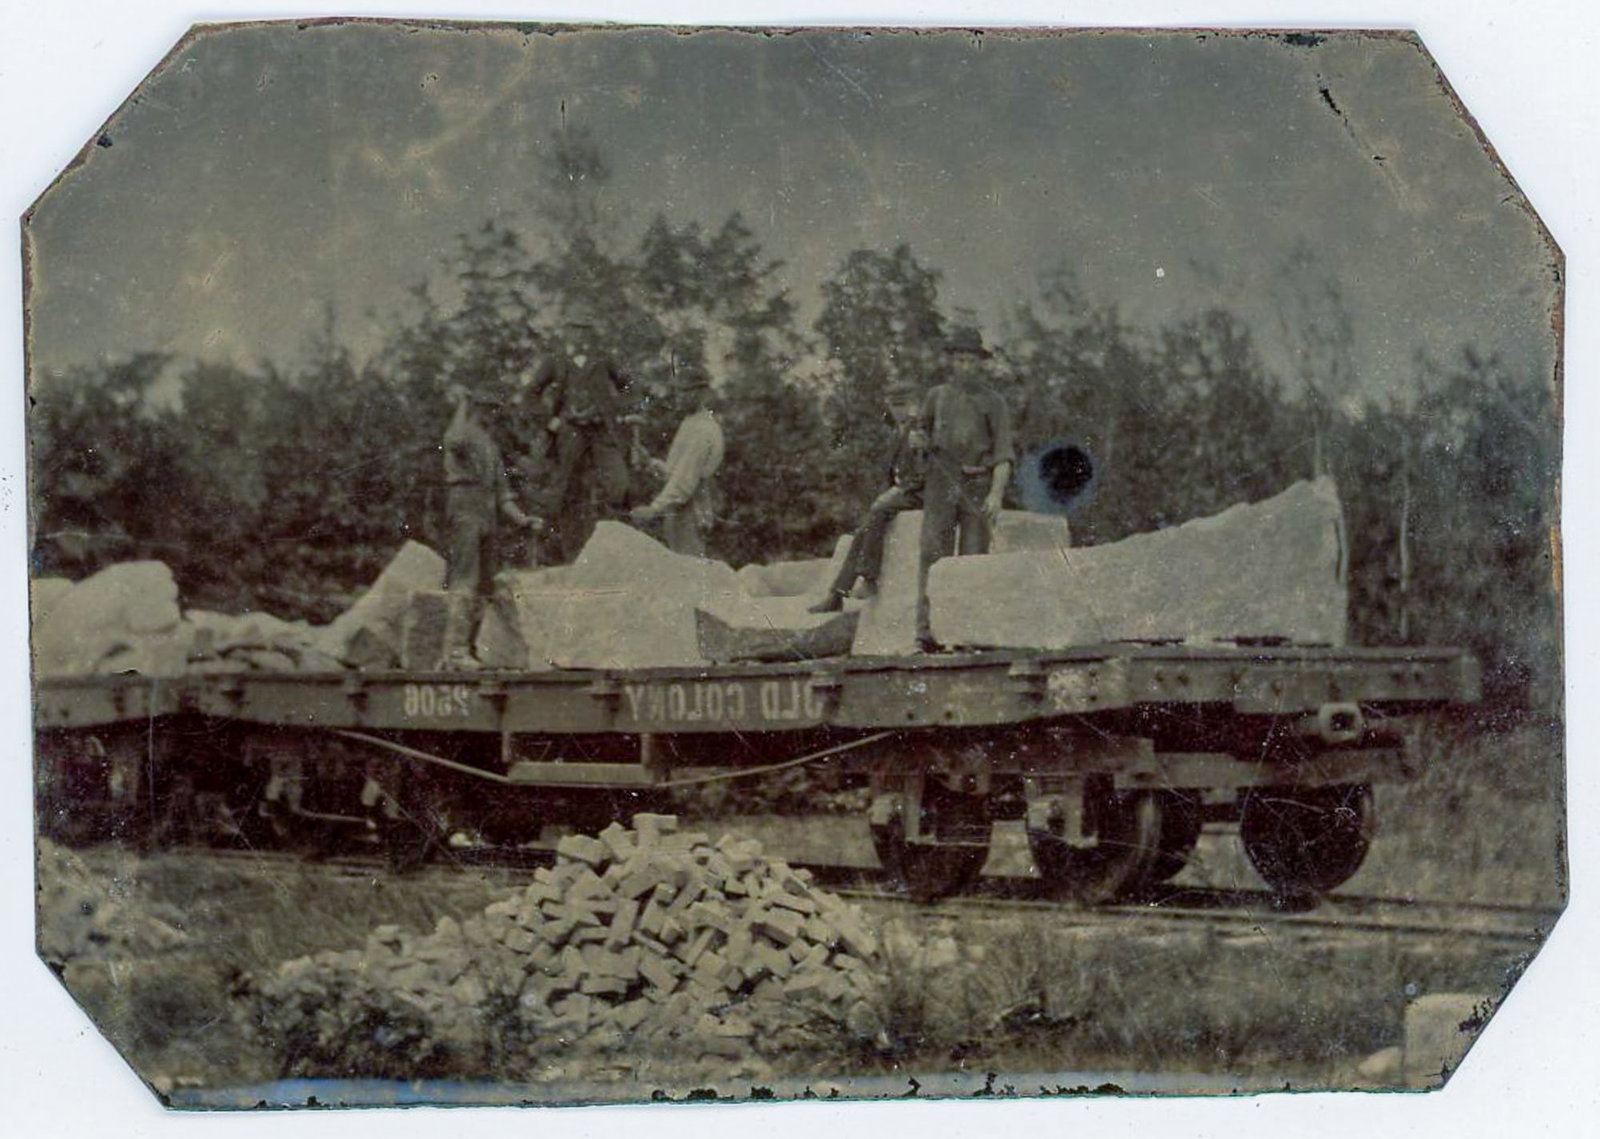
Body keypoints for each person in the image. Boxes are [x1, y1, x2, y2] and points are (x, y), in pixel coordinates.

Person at [916, 326, 1015, 650]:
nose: (965, 367)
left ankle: (966, 634)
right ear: (951, 362)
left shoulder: (994, 402)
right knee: (933, 553)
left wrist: (996, 494)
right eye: (960, 360)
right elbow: (919, 434)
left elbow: (1003, 455)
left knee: (973, 560)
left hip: (978, 483)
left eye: (971, 361)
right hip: (941, 482)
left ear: (980, 363)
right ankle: (926, 632)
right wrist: (918, 441)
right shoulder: (937, 396)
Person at [808, 381, 928, 612]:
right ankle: (837, 594)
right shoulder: (897, 432)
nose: (898, 411)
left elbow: (924, 472)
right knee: (865, 528)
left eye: (902, 405)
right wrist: (890, 491)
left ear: (914, 405)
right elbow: (893, 472)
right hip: (904, 493)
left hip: (920, 493)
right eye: (894, 405)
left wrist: (898, 491)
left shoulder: (918, 430)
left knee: (878, 510)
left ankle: (869, 579)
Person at [442, 384, 540, 663]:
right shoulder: (462, 434)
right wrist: (462, 402)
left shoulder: (490, 445)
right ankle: (455, 651)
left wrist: (523, 519)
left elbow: (503, 494)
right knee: (465, 579)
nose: (493, 414)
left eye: (495, 409)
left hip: (487, 511)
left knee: (486, 584)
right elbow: (453, 441)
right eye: (488, 408)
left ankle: (472, 646)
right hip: (464, 503)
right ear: (476, 408)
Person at [526, 319, 633, 562]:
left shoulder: (604, 359)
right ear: (566, 333)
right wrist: (548, 420)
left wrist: (621, 411)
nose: (580, 336)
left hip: (601, 430)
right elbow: (530, 393)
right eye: (574, 330)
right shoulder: (555, 360)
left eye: (585, 330)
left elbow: (630, 385)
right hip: (570, 431)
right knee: (566, 489)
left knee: (619, 483)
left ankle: (621, 551)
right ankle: (570, 554)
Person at [630, 364, 725, 556]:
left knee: (691, 570)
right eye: (677, 391)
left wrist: (653, 509)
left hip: (692, 508)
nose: (679, 397)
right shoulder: (690, 422)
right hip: (680, 507)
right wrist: (650, 462)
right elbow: (675, 472)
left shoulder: (704, 429)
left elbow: (685, 480)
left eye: (685, 391)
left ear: (702, 393)